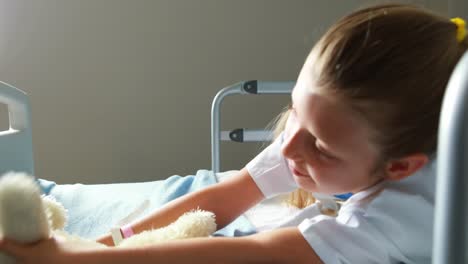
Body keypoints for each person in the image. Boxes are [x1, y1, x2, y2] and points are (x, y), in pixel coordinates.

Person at [1, 3, 467, 264]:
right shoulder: (325, 136)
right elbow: (230, 194)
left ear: (400, 167)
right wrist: (104, 244)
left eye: (320, 145)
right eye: (294, 114)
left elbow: (271, 252)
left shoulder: (408, 213)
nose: (288, 146)